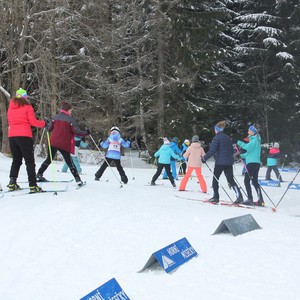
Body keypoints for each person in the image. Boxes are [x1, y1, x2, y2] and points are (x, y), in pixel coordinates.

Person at [37, 101, 89, 186]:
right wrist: (86, 132)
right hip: (63, 143)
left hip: (53, 142)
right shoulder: (70, 119)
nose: (71, 112)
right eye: (71, 110)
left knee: (49, 159)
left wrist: (47, 124)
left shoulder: (55, 117)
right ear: (68, 110)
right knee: (69, 162)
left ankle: (39, 174)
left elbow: (49, 129)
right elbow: (77, 132)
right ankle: (78, 180)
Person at [7, 88, 46, 193]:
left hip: (12, 136)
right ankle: (33, 185)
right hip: (24, 136)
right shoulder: (27, 107)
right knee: (29, 161)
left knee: (16, 160)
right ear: (25, 98)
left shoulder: (10, 108)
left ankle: (12, 182)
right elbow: (33, 122)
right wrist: (44, 123)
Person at [201, 121, 243, 204]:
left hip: (220, 163)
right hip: (228, 162)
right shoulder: (227, 138)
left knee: (215, 179)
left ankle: (216, 197)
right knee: (231, 180)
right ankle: (239, 196)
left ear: (216, 130)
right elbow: (231, 151)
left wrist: (204, 158)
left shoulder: (216, 138)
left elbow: (212, 151)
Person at [237, 124, 264, 206]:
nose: (248, 132)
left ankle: (250, 199)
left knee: (246, 180)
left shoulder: (254, 140)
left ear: (253, 132)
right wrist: (241, 156)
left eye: (249, 130)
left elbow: (247, 147)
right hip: (255, 163)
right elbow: (250, 153)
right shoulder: (256, 140)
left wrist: (238, 142)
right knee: (255, 181)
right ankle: (260, 200)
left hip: (252, 163)